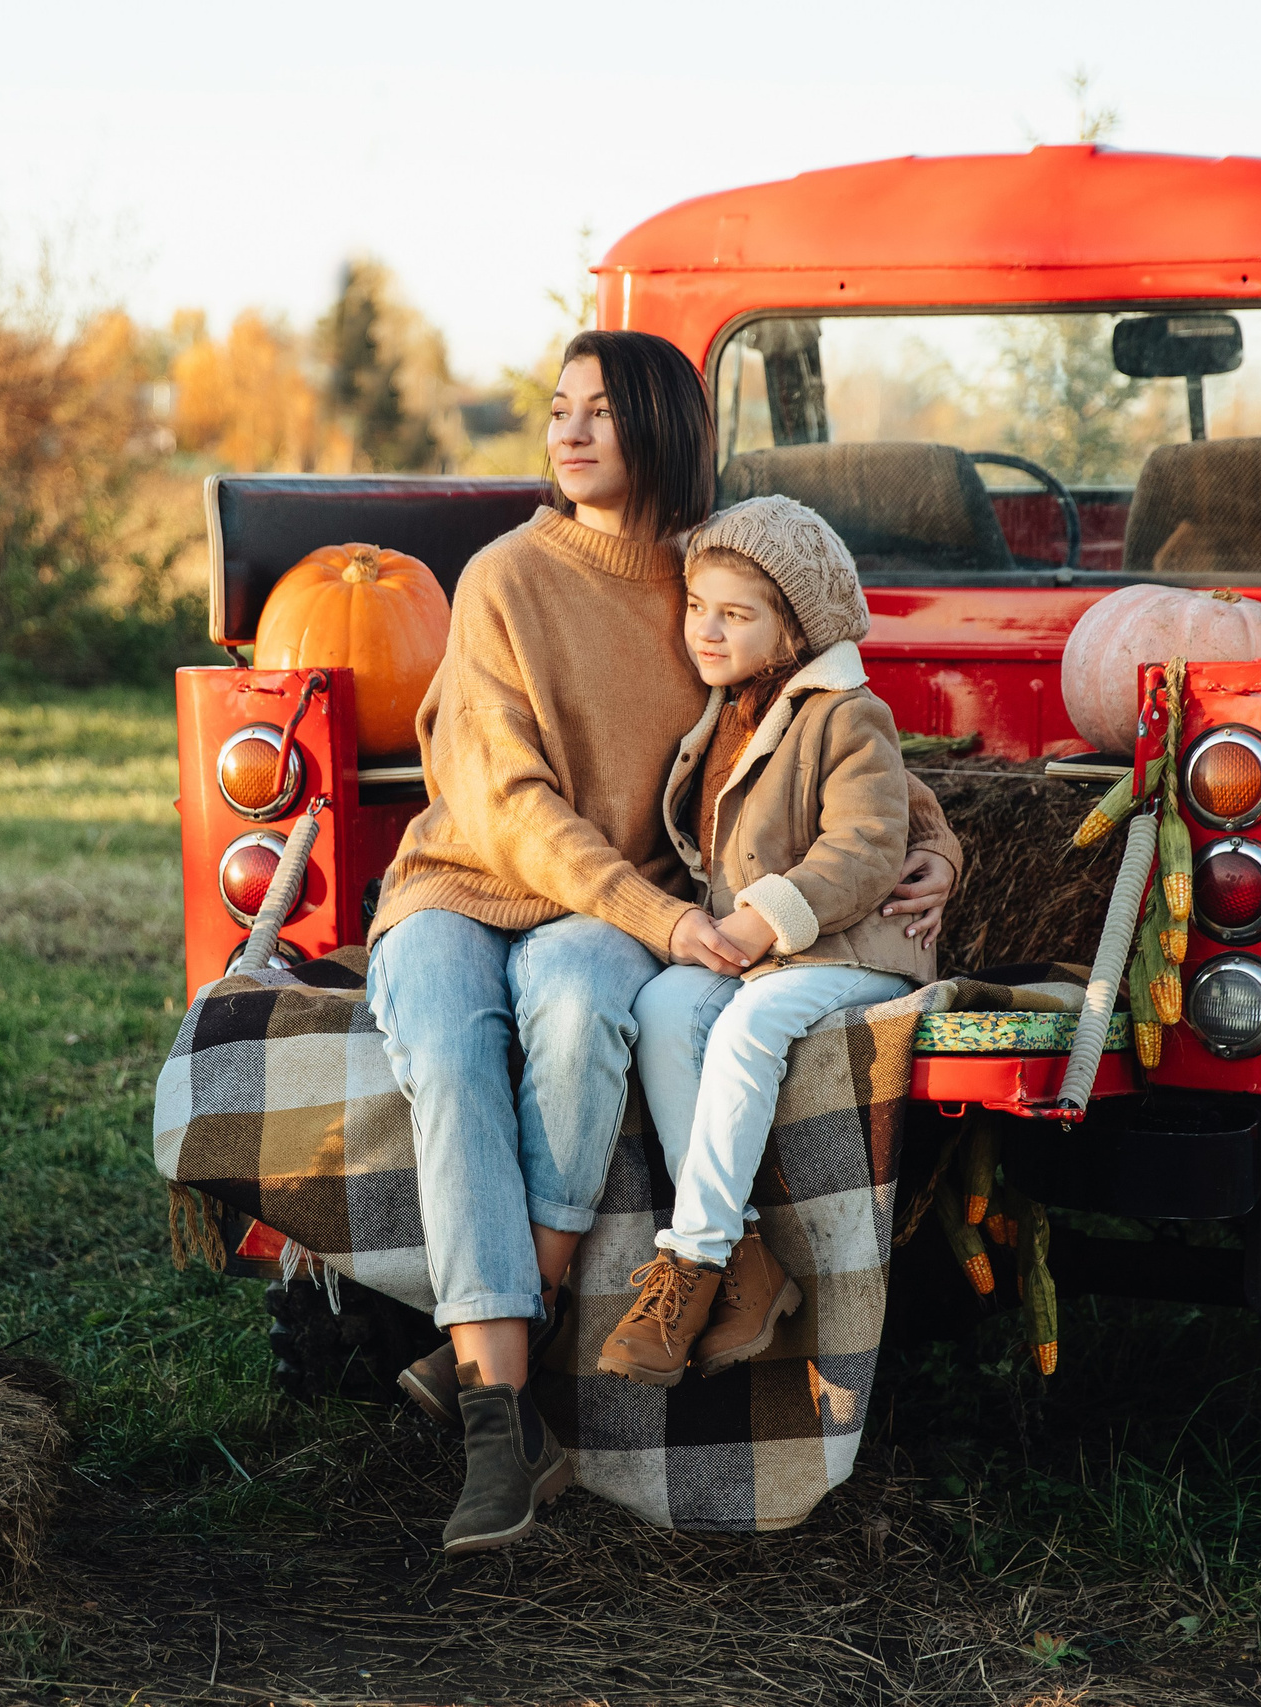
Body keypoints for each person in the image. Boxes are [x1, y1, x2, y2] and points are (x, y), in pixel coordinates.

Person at [363, 332, 959, 1556]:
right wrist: (669, 921)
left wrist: (935, 850)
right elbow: (508, 805)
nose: (569, 433)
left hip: (611, 913)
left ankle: (486, 1372)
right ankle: (503, 1420)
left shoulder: (715, 582)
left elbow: (826, 723)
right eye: (557, 410)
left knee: (582, 1011)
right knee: (446, 1035)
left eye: (601, 413)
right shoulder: (501, 580)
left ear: (660, 429)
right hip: (465, 882)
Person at [597, 496, 961, 1385]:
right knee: (664, 1002)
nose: (707, 631)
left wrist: (766, 918)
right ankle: (751, 1261)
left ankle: (692, 1258)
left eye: (737, 613)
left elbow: (871, 839)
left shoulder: (845, 712)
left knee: (751, 1025)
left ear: (794, 629)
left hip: (856, 951)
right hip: (768, 951)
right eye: (698, 607)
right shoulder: (718, 709)